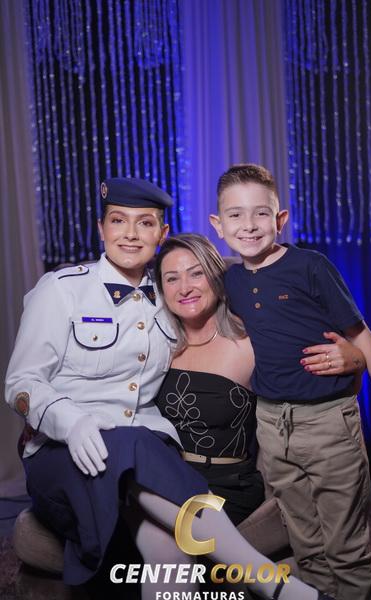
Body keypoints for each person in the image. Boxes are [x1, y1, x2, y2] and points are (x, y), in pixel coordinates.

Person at [5, 177, 335, 600]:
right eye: (118, 221)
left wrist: (350, 351)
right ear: (101, 229)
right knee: (138, 442)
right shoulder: (62, 289)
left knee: (168, 550)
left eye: (144, 223)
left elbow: (255, 299)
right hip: (65, 456)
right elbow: (21, 383)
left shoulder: (170, 296)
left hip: (143, 465)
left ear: (160, 234)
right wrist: (69, 422)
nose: (130, 234)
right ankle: (274, 585)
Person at [209, 163, 371, 600]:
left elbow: (361, 337)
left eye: (261, 213)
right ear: (218, 225)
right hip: (271, 425)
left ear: (280, 219)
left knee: (345, 548)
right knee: (306, 545)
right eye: (235, 215)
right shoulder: (230, 281)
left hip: (328, 422)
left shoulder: (311, 267)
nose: (248, 225)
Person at [154, 233, 366, 527]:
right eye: (172, 278)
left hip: (225, 489)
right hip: (166, 479)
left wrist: (355, 360)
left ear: (216, 277)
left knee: (183, 540)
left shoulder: (252, 341)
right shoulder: (155, 345)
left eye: (196, 273)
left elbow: (335, 384)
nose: (185, 287)